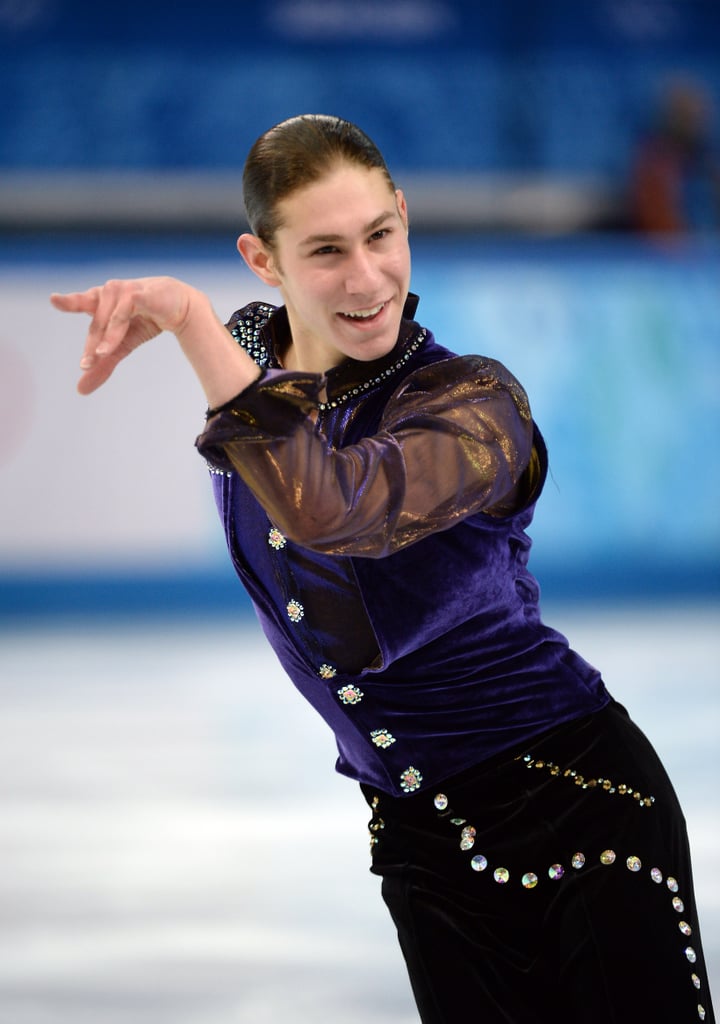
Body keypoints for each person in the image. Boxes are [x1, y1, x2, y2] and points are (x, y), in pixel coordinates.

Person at [51, 114, 715, 1024]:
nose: (367, 280)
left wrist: (184, 319)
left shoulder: (475, 406)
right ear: (264, 260)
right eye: (325, 251)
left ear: (405, 216)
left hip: (578, 812)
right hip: (417, 843)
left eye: (381, 235)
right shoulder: (261, 365)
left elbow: (332, 507)